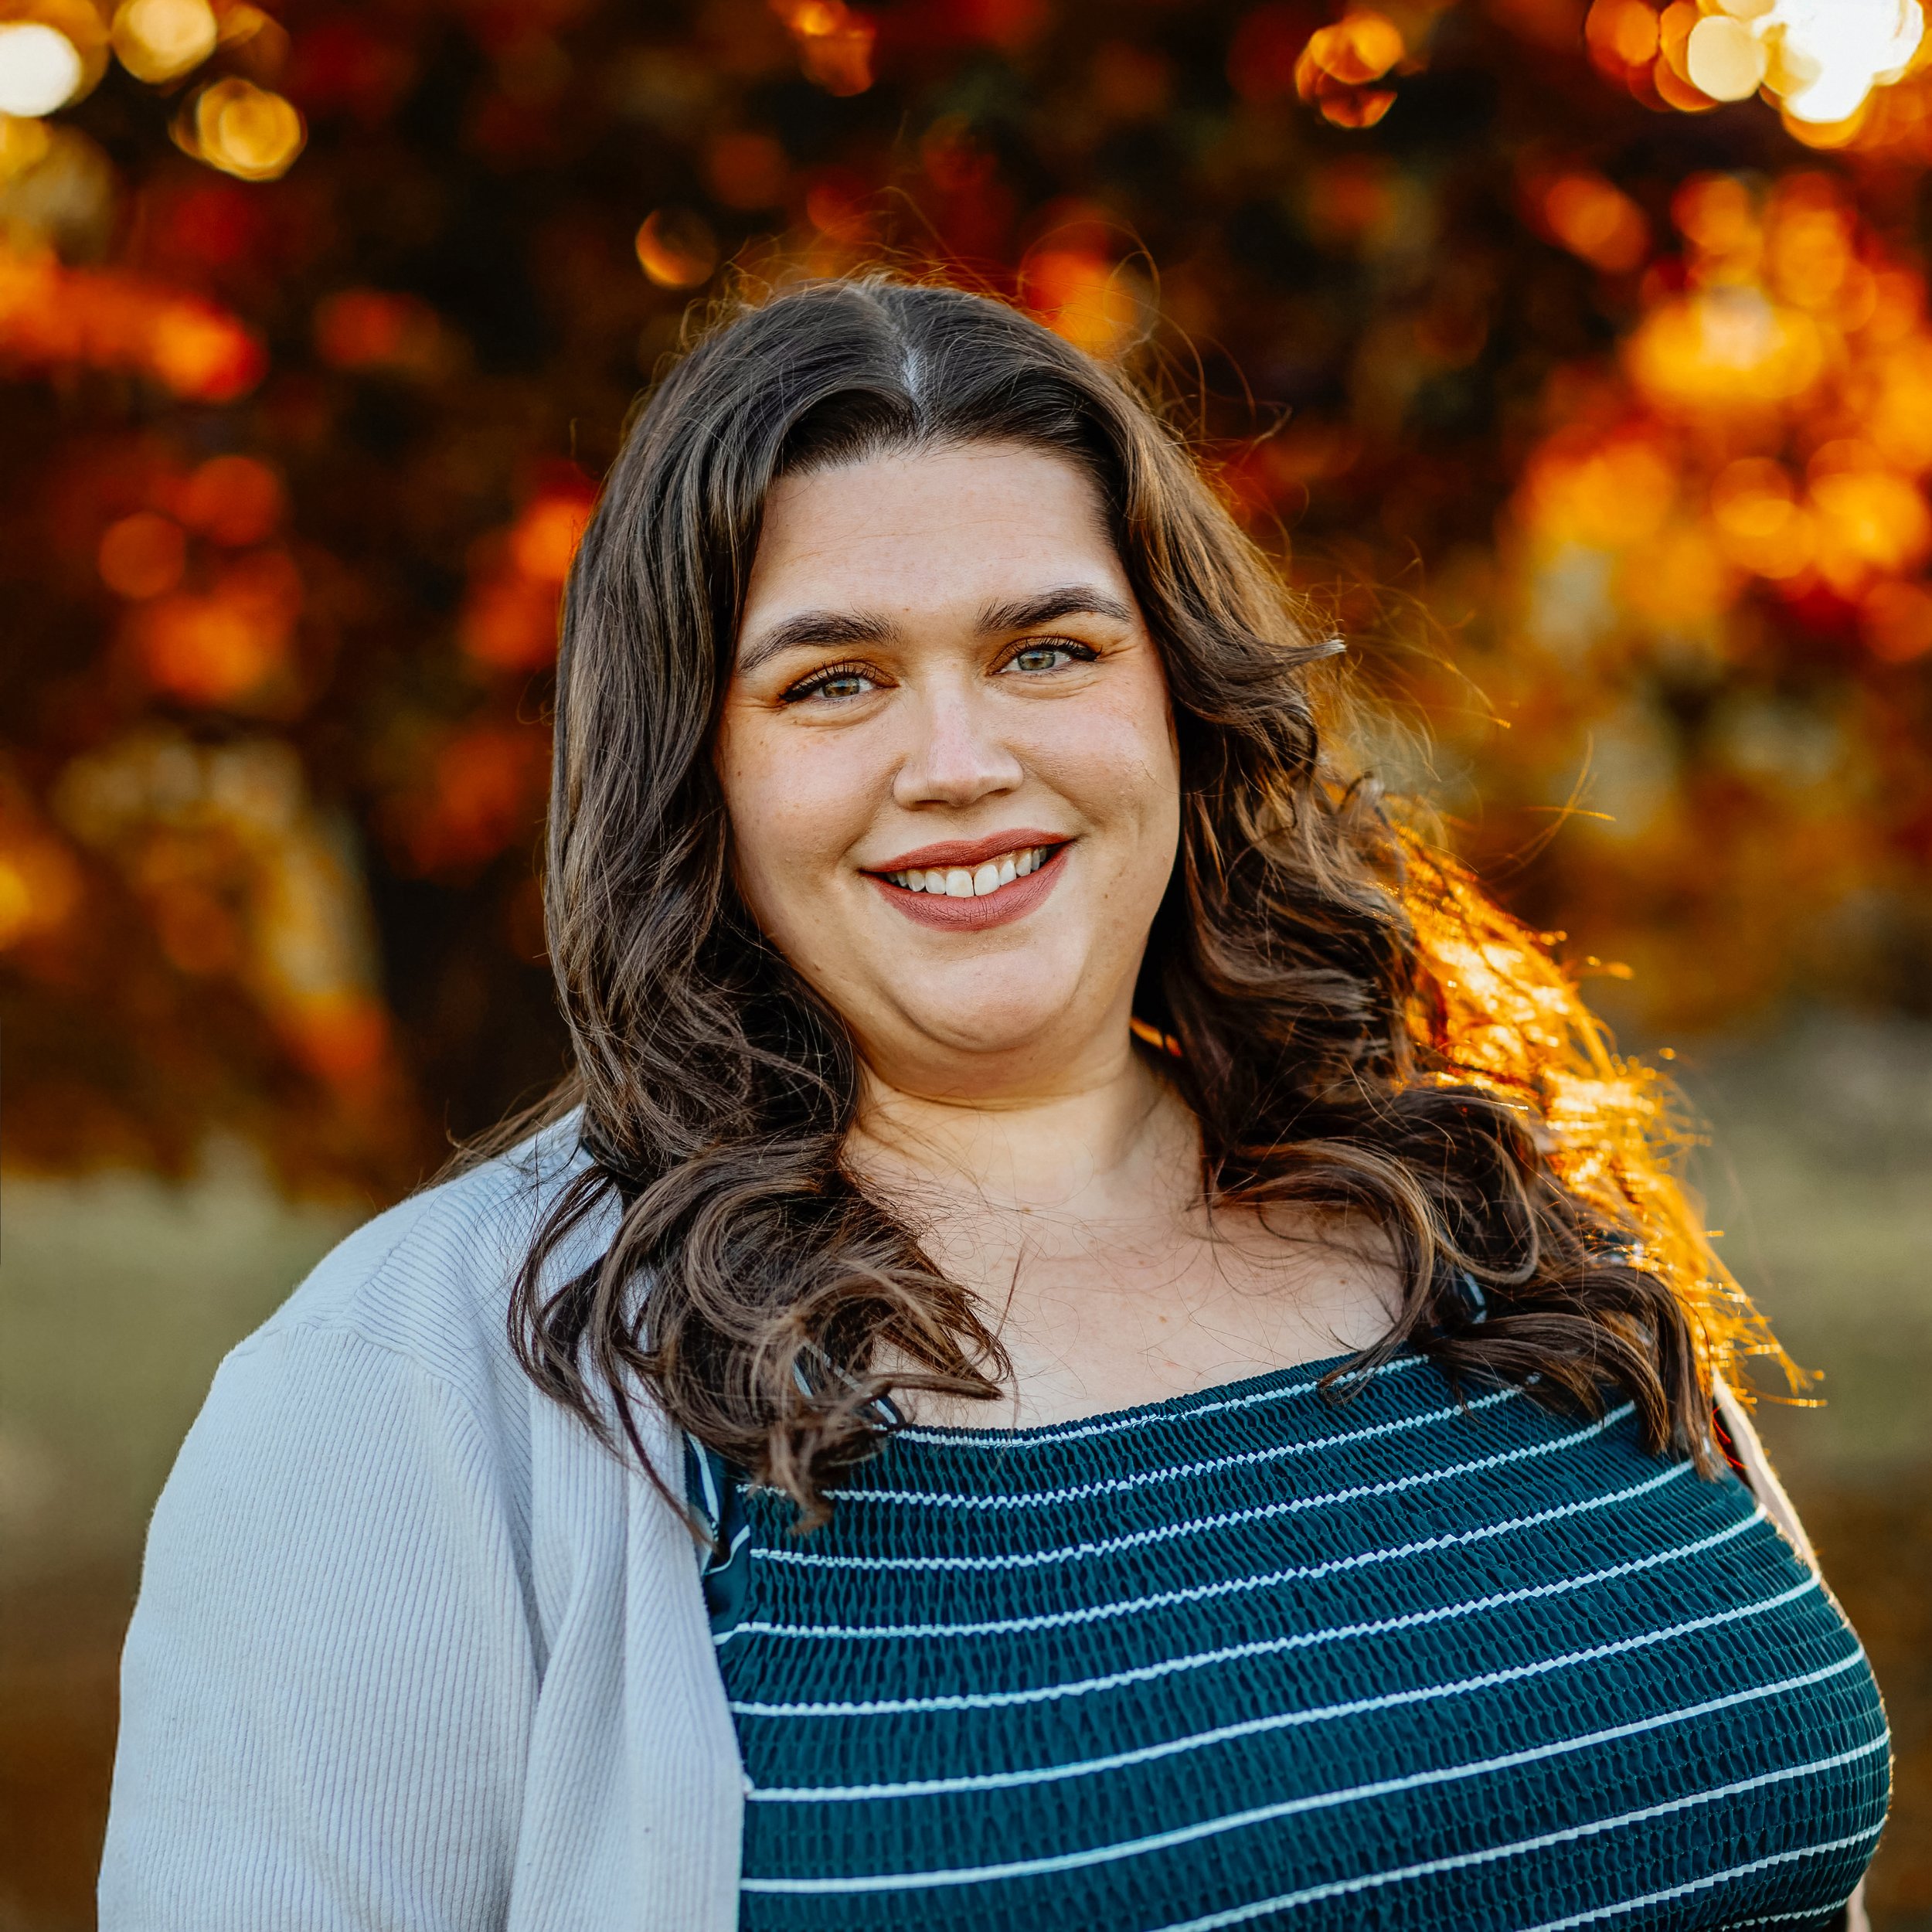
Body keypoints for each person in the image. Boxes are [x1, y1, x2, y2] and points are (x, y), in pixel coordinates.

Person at [100, 275, 1888, 1932]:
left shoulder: (1478, 1210)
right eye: (833, 680)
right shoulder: (424, 1393)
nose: (959, 762)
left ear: (1179, 702)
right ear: (693, 773)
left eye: (1046, 649)